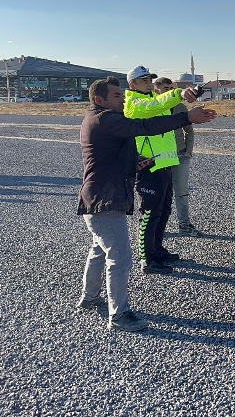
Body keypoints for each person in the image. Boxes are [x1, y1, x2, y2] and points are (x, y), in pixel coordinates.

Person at [77, 76, 216, 332]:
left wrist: (134, 161)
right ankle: (119, 315)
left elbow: (109, 154)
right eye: (117, 96)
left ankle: (89, 297)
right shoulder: (104, 119)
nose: (122, 99)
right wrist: (187, 117)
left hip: (98, 198)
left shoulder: (98, 118)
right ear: (100, 100)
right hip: (106, 200)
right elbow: (145, 126)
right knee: (119, 258)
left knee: (99, 248)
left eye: (121, 94)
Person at [124, 66, 200, 275]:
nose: (148, 82)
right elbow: (156, 104)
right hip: (149, 166)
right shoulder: (135, 103)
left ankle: (157, 250)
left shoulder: (149, 100)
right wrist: (178, 93)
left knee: (163, 211)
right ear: (132, 85)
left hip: (165, 164)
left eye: (150, 79)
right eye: (143, 80)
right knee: (149, 214)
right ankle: (147, 259)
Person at [153, 77, 203, 237]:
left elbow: (189, 130)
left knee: (181, 192)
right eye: (165, 89)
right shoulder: (153, 109)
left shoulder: (180, 107)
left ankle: (184, 225)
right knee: (160, 193)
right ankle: (157, 227)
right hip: (160, 157)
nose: (169, 91)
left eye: (170, 88)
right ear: (156, 91)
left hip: (180, 155)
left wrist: (188, 151)